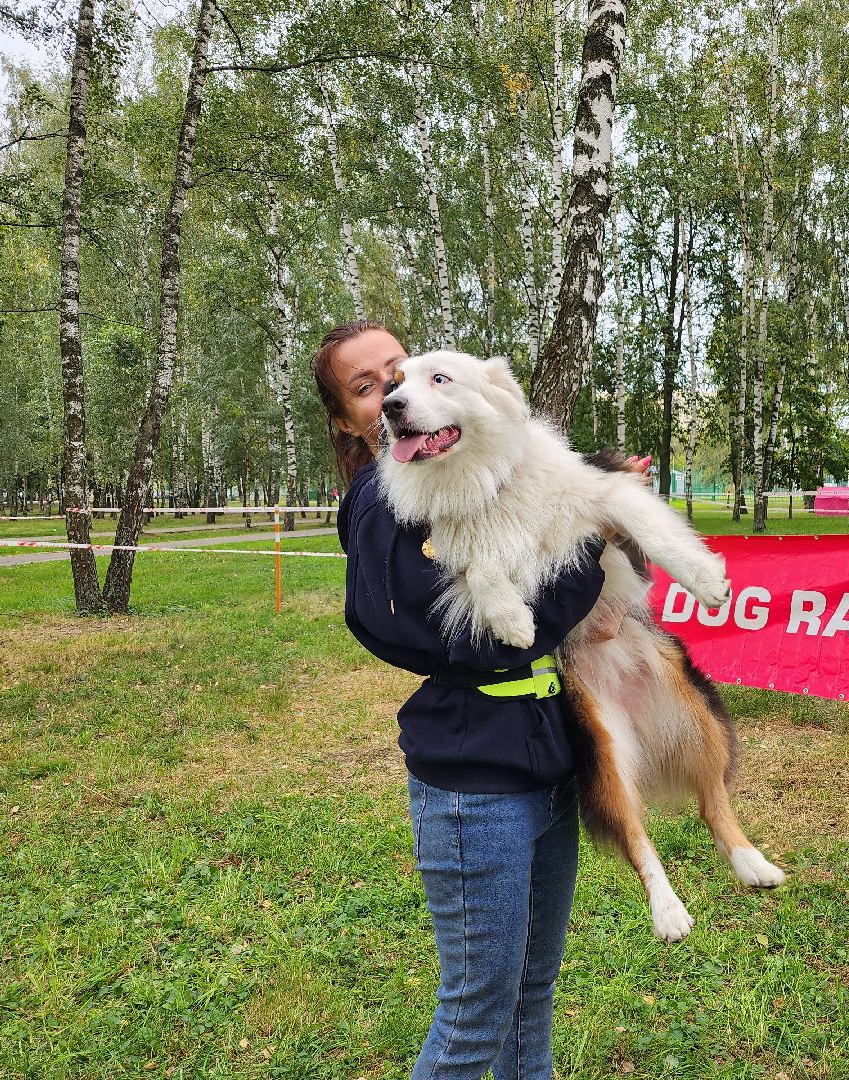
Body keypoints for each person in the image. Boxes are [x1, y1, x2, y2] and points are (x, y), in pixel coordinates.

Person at [313, 319, 606, 1080]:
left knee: (529, 995)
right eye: (366, 387)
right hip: (474, 790)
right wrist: (591, 553)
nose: (393, 392)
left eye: (400, 371)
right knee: (477, 1014)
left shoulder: (458, 478)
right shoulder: (385, 502)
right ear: (349, 421)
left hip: (543, 761)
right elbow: (477, 635)